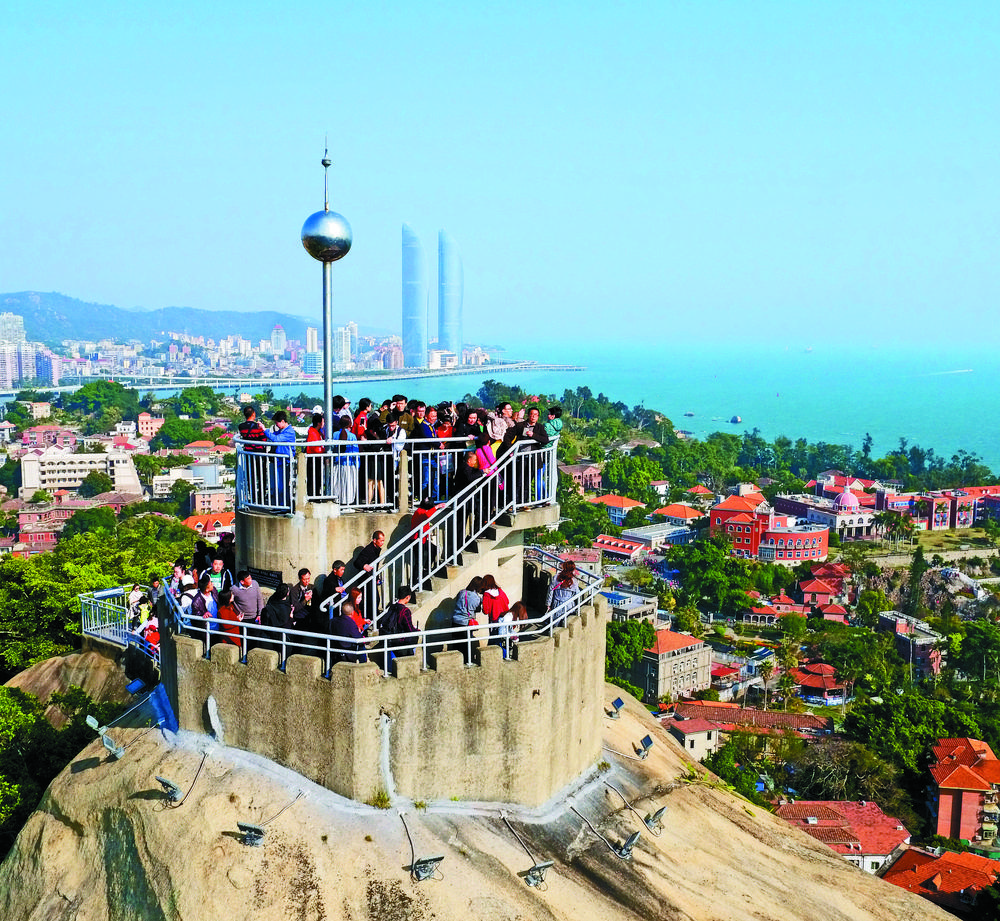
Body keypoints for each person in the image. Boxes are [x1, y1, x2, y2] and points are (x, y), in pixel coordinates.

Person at [507, 407, 550, 504]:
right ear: (528, 415)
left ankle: (523, 503)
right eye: (532, 414)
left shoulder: (539, 427)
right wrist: (510, 450)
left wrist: (533, 435)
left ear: (538, 417)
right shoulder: (520, 425)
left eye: (536, 415)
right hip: (521, 457)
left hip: (533, 458)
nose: (533, 416)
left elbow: (545, 440)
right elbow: (508, 436)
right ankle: (514, 503)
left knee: (527, 482)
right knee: (518, 481)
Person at [265, 410, 297, 508]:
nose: (276, 425)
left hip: (284, 462)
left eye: (277, 423)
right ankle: (280, 504)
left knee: (282, 485)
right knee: (278, 485)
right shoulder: (282, 431)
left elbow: (276, 439)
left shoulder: (289, 432)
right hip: (279, 461)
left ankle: (284, 505)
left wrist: (264, 430)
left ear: (282, 421)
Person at [237, 406, 268, 503]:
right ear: (253, 414)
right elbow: (264, 439)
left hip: (248, 454)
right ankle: (262, 496)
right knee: (261, 475)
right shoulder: (257, 427)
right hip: (259, 454)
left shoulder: (241, 427)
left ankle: (253, 496)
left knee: (251, 476)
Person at [379, 584, 418, 660]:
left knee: (391, 661)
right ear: (408, 597)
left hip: (390, 638)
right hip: (400, 641)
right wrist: (417, 630)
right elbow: (409, 629)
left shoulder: (392, 607)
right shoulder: (405, 611)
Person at [410, 497, 443, 585]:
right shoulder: (419, 511)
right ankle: (414, 582)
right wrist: (437, 507)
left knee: (434, 549)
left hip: (422, 539)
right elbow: (427, 515)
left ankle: (426, 568)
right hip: (416, 539)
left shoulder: (423, 511)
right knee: (418, 561)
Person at [452, 576, 483, 664]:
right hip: (465, 623)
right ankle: (467, 662)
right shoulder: (476, 598)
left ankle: (455, 663)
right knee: (466, 646)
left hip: (455, 621)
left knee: (456, 645)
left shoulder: (461, 592)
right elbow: (478, 609)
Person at [260, 583, 294, 656]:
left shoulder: (272, 600)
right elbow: (286, 622)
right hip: (280, 636)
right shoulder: (285, 608)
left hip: (269, 633)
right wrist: (291, 616)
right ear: (287, 594)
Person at [332, 416, 360, 505]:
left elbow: (332, 448)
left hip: (337, 464)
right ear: (350, 424)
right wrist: (357, 465)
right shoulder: (352, 436)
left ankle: (338, 502)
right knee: (349, 486)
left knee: (337, 485)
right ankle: (348, 504)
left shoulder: (335, 435)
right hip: (349, 464)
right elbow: (355, 452)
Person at [190, 574, 219, 648]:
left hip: (218, 627)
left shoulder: (214, 591)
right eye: (210, 584)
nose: (212, 584)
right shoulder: (196, 601)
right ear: (206, 589)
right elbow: (195, 616)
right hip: (207, 630)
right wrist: (203, 614)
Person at [546, 561, 578, 627]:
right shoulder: (574, 580)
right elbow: (577, 594)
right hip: (569, 605)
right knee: (567, 623)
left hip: (557, 604)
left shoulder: (556, 577)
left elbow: (550, 591)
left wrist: (548, 604)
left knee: (556, 623)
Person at [306, 412, 326, 498]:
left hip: (317, 458)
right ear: (319, 423)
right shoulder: (313, 433)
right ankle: (313, 496)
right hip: (314, 458)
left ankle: (316, 494)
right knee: (313, 478)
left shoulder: (317, 432)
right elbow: (316, 447)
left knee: (317, 478)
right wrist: (323, 451)